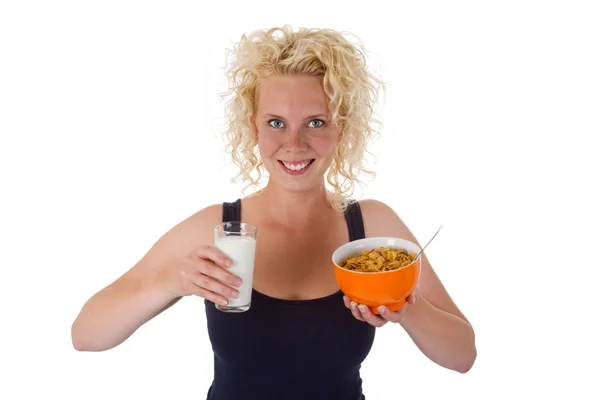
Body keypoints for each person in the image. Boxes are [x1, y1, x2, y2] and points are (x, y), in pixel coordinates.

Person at [71, 25, 477, 399]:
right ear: (254, 128)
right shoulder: (219, 228)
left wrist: (404, 306)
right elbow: (86, 334)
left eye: (316, 122)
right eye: (276, 122)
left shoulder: (372, 227)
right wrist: (172, 281)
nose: (295, 143)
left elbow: (462, 355)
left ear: (342, 127)